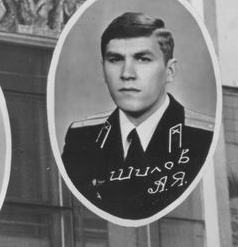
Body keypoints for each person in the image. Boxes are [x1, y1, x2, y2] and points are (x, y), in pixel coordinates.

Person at [61, 12, 214, 221]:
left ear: (169, 71)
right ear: (103, 70)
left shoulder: (203, 137)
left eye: (143, 59)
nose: (127, 74)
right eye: (115, 59)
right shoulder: (82, 138)